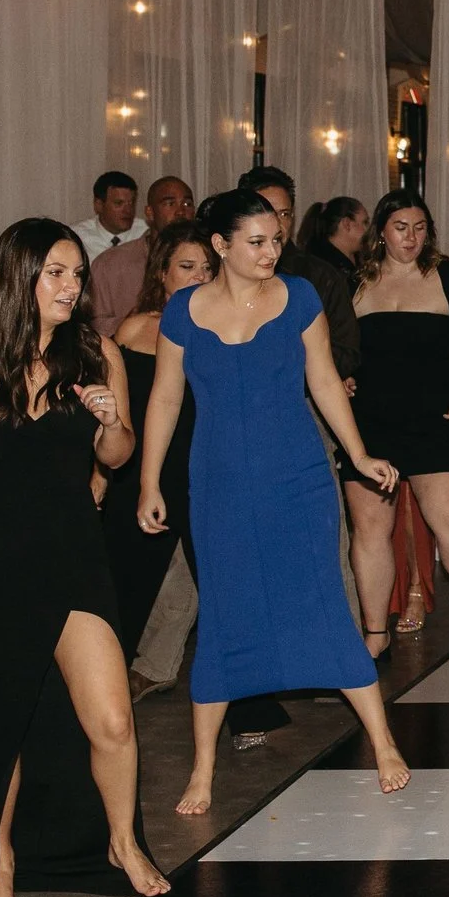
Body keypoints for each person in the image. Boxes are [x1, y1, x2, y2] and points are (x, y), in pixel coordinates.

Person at [0, 218, 169, 897]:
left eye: (76, 274)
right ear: (17, 276)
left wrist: (112, 420)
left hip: (72, 556)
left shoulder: (97, 355)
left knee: (112, 718)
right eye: (55, 271)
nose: (70, 285)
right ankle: (0, 853)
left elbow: (117, 457)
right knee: (3, 725)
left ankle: (121, 841)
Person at [138, 190, 412, 816]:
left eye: (275, 240)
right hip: (218, 485)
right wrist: (151, 481)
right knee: (225, 614)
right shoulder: (182, 311)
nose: (270, 252)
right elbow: (164, 400)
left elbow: (322, 380)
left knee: (320, 602)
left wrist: (361, 454)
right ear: (221, 246)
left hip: (298, 478)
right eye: (255, 242)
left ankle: (384, 743)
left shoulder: (301, 298)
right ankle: (203, 770)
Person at [345, 191, 449, 662]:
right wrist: (342, 374)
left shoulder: (447, 277)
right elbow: (334, 347)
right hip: (369, 425)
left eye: (420, 227)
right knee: (370, 529)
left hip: (433, 421)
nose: (411, 237)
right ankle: (375, 632)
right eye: (401, 227)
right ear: (381, 231)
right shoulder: (357, 281)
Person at [100, 224, 213, 656]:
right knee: (121, 589)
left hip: (202, 470)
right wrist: (100, 473)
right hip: (140, 470)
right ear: (161, 273)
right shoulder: (133, 329)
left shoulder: (222, 332)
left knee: (221, 589)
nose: (198, 277)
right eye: (186, 267)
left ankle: (248, 705)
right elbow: (112, 410)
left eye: (207, 268)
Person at [237, 166, 361, 381]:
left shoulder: (320, 277)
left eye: (284, 214)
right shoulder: (223, 271)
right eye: (266, 212)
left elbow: (346, 352)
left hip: (303, 395)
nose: (276, 223)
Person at [90, 176, 195, 337]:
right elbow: (94, 324)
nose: (181, 211)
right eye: (169, 203)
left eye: (187, 204)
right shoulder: (110, 264)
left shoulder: (208, 261)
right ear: (150, 213)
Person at [72, 171, 145, 257]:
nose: (128, 211)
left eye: (131, 203)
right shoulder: (77, 238)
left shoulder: (145, 234)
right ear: (99, 205)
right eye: (119, 203)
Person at [300, 196, 370, 277]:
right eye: (365, 222)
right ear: (346, 224)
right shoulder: (325, 269)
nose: (367, 230)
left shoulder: (358, 260)